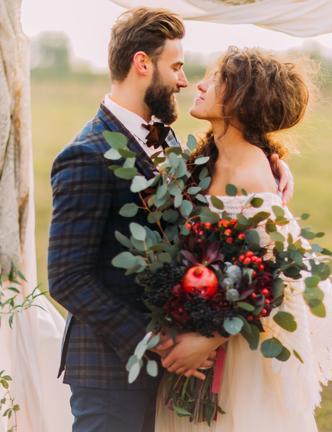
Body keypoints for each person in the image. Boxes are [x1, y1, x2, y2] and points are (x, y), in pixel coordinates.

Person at [47, 9, 295, 432]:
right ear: (143, 64)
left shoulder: (169, 136)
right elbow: (67, 277)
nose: (184, 80)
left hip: (174, 366)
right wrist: (160, 342)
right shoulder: (85, 154)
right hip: (113, 368)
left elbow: (215, 187)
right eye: (176, 67)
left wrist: (269, 165)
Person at [154, 46, 332, 431]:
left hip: (234, 351)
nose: (201, 84)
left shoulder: (252, 175)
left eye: (216, 79)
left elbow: (276, 277)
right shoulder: (206, 161)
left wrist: (207, 341)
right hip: (196, 333)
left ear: (242, 100)